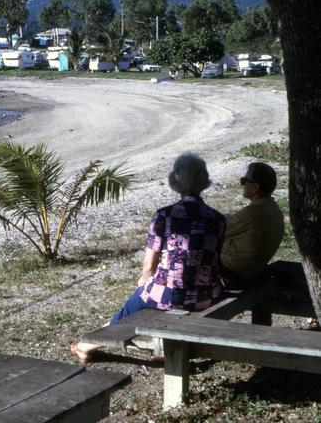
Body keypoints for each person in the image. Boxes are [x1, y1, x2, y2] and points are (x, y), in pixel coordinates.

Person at [70, 152, 226, 363]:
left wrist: (144, 280)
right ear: (204, 182)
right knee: (151, 293)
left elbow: (150, 261)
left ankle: (86, 345)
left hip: (171, 296)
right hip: (205, 296)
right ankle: (161, 350)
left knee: (134, 303)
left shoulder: (164, 215)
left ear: (175, 182)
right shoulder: (218, 219)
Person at [220, 162, 284, 289]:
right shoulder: (273, 209)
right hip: (253, 270)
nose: (242, 184)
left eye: (244, 181)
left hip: (236, 274)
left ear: (255, 187)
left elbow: (216, 230)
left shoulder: (252, 213)